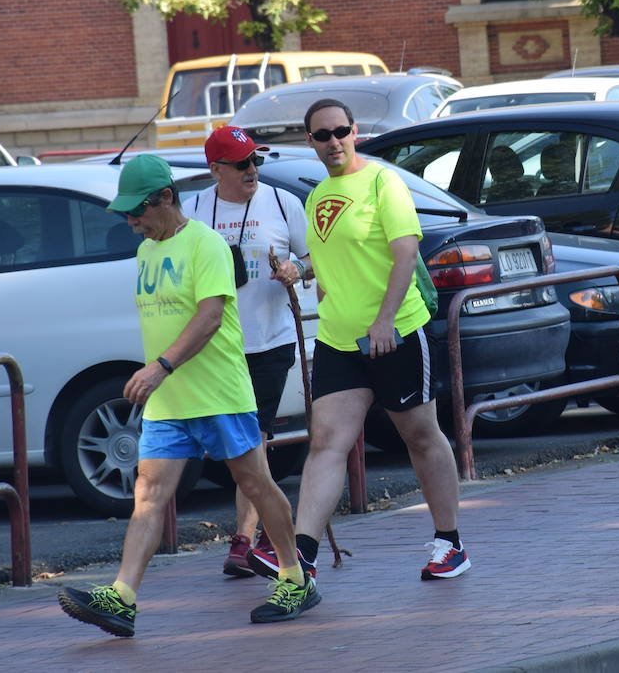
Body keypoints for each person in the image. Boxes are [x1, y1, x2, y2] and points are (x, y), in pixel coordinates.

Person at [56, 154, 318, 637]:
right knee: (148, 495)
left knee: (256, 483)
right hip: (169, 402)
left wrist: (160, 366)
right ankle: (123, 596)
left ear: (166, 198)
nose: (132, 222)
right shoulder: (145, 252)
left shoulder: (206, 244)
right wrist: (161, 376)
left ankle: (295, 578)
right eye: (127, 214)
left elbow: (210, 317)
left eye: (138, 211)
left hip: (219, 393)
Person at [250, 97, 470, 581]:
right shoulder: (317, 196)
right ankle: (301, 557)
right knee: (326, 441)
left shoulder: (382, 181)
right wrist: (299, 270)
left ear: (354, 132)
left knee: (419, 435)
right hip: (338, 338)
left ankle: (449, 543)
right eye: (321, 135)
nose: (333, 142)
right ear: (309, 142)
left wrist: (386, 320)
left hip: (395, 333)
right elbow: (330, 263)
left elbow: (406, 253)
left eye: (340, 131)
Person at [187, 126, 312, 577]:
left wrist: (296, 269)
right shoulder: (196, 210)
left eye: (255, 161)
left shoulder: (282, 203)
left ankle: (244, 539)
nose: (252, 170)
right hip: (218, 347)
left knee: (250, 438)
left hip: (268, 343)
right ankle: (258, 534)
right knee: (233, 443)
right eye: (241, 164)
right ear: (215, 169)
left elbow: (314, 256)